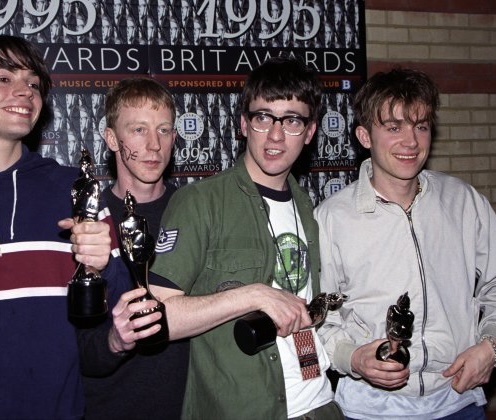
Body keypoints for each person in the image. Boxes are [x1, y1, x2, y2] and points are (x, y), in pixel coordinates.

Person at [0, 35, 126, 418]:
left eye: (34, 84)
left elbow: (122, 316)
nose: (24, 91)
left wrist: (103, 266)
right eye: (4, 78)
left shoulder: (77, 190)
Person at [145, 57, 343, 419]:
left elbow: (302, 312)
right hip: (244, 408)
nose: (276, 135)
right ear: (243, 124)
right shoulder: (201, 202)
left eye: (292, 120)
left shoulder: (306, 207)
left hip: (320, 404)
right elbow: (157, 318)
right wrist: (252, 294)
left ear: (311, 131)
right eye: (264, 117)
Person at [314, 67, 496, 419]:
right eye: (394, 127)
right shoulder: (332, 219)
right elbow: (318, 320)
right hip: (370, 409)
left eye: (421, 125)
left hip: (458, 399)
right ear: (365, 136)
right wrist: (351, 357)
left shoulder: (464, 202)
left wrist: (490, 348)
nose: (411, 141)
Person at [77, 77, 189, 420]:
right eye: (139, 129)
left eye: (164, 130)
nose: (154, 145)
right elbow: (78, 351)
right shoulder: (88, 223)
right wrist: (115, 340)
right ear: (112, 138)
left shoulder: (195, 210)